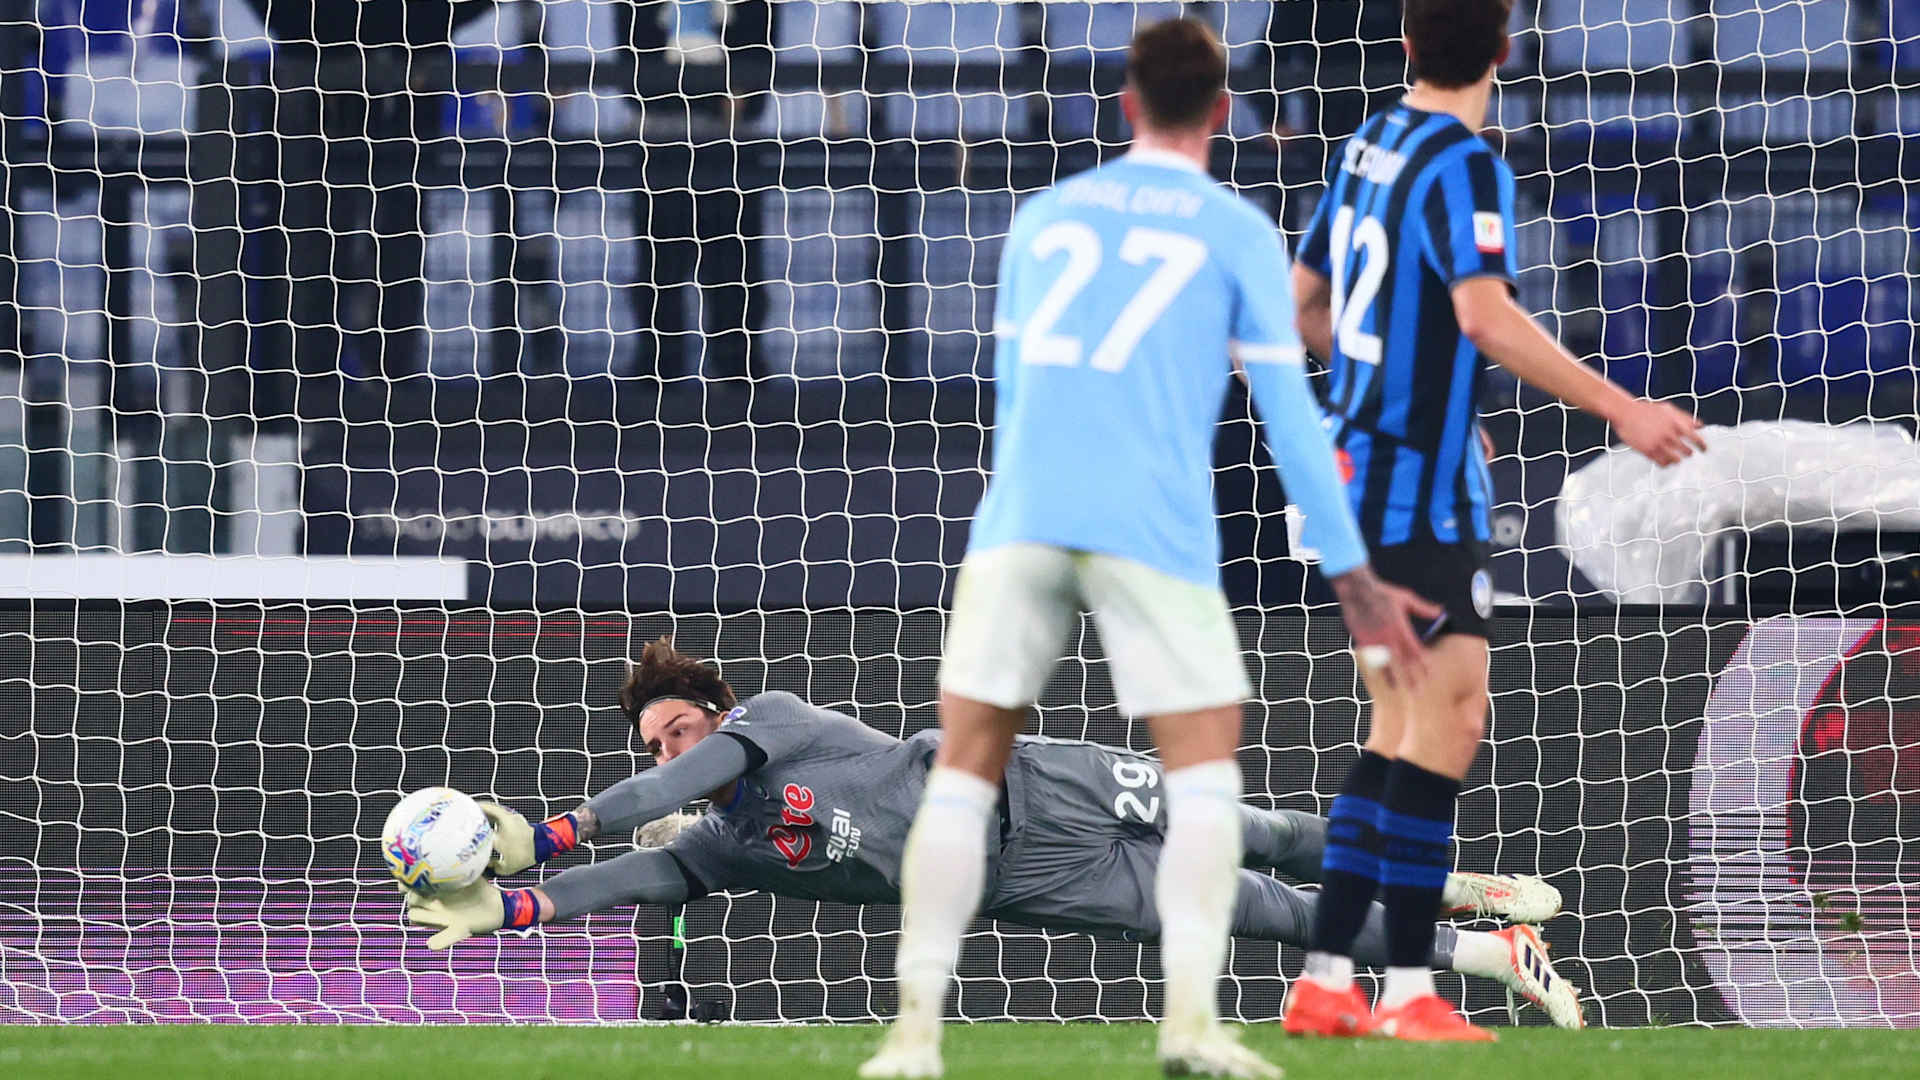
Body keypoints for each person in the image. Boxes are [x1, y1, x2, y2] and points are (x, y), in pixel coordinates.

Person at [870, 17, 1443, 1080]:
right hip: (1152, 530)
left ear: (1125, 104)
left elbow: (1013, 398)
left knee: (962, 774)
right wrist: (1355, 575)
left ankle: (910, 1041)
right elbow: (1291, 421)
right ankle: (1189, 1026)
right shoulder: (1237, 230)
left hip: (1021, 519)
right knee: (1206, 779)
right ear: (1223, 110)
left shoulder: (1043, 219)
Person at [397, 638, 1583, 1037]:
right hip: (1029, 879)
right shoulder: (719, 848)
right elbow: (637, 872)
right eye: (655, 743)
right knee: (1261, 914)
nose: (673, 751)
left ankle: (1446, 881)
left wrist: (548, 830)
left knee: (1262, 833)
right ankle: (1487, 955)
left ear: (715, 712)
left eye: (677, 728)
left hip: (1038, 780)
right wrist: (515, 903)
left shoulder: (770, 724)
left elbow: (668, 790)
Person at [1282, 0, 1705, 1043]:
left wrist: (1381, 395)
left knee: (1402, 724)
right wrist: (1623, 409)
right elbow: (1482, 315)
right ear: (1506, 52)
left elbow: (1303, 306)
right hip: (1416, 493)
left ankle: (1329, 980)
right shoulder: (1463, 163)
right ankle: (1408, 994)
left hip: (1358, 473)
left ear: (1406, 44)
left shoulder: (1369, 142)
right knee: (1447, 721)